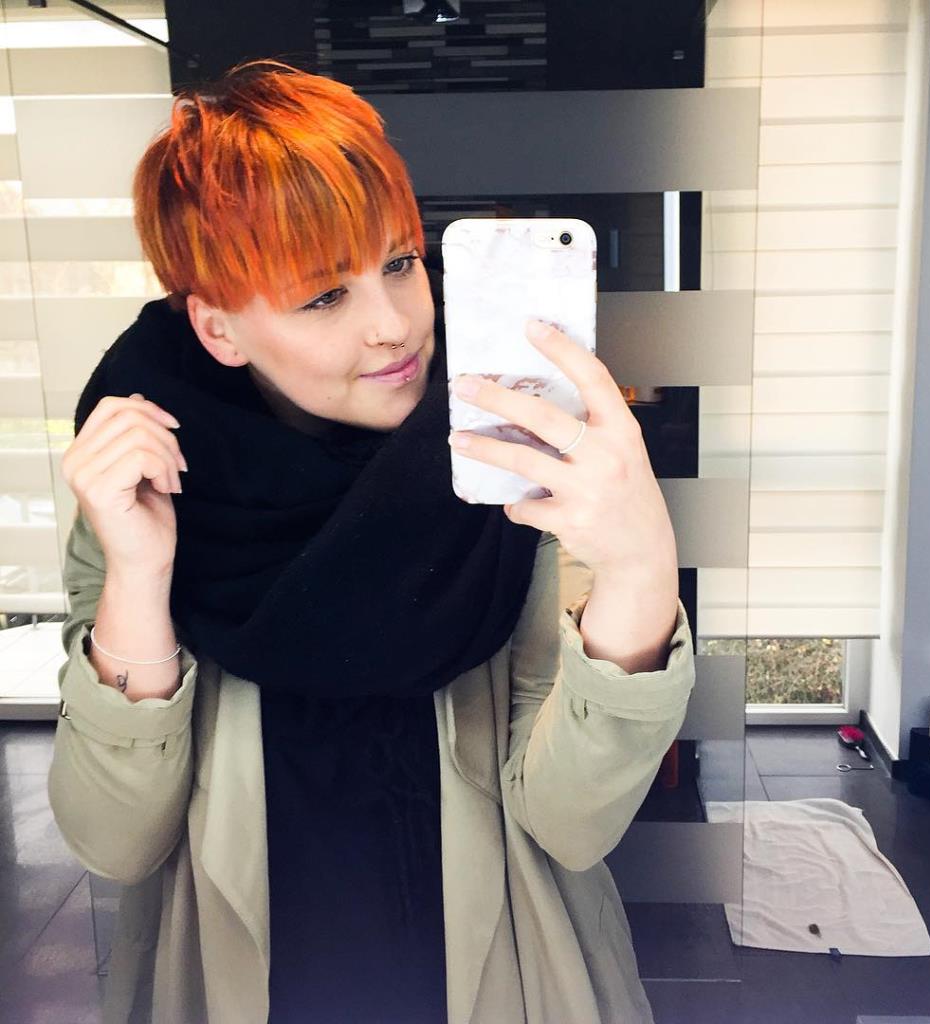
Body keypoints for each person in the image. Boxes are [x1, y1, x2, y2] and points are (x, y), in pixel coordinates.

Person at [47, 60, 696, 1024]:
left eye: (399, 263)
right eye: (323, 298)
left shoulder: (515, 455)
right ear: (221, 330)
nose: (394, 327)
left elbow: (570, 823)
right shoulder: (154, 487)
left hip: (499, 981)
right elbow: (114, 842)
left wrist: (639, 566)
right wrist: (140, 577)